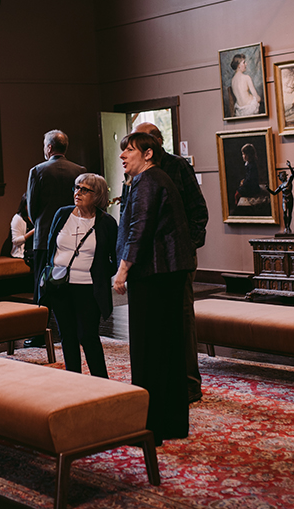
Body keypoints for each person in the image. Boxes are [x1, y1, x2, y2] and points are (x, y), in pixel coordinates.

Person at [113, 132, 194, 446]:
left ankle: (149, 428)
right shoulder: (155, 179)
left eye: (129, 151)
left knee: (148, 351)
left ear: (148, 154)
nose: (123, 156)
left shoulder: (148, 181)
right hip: (167, 273)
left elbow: (140, 227)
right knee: (169, 349)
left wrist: (122, 270)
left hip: (154, 274)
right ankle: (171, 423)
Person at [133, 122, 208, 404]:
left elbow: (198, 211)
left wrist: (188, 246)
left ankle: (189, 384)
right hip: (147, 263)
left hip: (177, 258)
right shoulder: (135, 173)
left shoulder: (177, 167)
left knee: (183, 318)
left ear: (153, 146)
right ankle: (162, 381)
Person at [43, 173, 117, 378]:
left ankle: (102, 381)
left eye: (85, 189)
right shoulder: (62, 214)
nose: (78, 192)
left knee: (88, 336)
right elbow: (51, 246)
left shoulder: (107, 222)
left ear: (98, 195)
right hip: (59, 285)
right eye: (76, 187)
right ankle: (73, 379)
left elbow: (114, 257)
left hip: (87, 286)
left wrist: (100, 273)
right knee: (67, 336)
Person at [27, 129, 86, 344]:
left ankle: (38, 334)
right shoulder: (79, 171)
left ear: (49, 148)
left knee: (42, 284)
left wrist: (42, 224)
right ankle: (74, 332)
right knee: (73, 282)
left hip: (44, 237)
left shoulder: (37, 171)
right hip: (73, 235)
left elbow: (32, 209)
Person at [266, 161, 294, 234]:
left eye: (282, 175)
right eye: (280, 176)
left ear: (284, 176)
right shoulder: (281, 186)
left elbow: (293, 174)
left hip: (290, 198)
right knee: (285, 212)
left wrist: (289, 166)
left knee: (289, 213)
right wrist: (268, 189)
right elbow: (274, 193)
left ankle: (288, 227)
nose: (281, 177)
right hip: (284, 199)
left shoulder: (289, 181)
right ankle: (286, 227)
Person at [10, 195, 35, 265]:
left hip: (35, 248)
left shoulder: (35, 217)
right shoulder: (18, 218)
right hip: (25, 251)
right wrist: (32, 232)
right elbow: (15, 241)